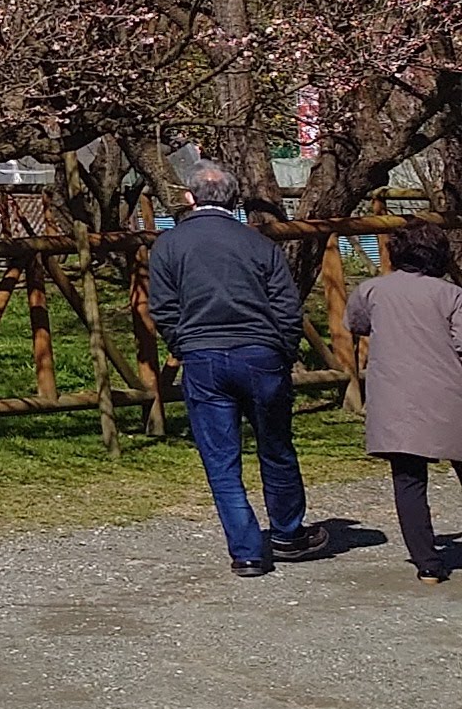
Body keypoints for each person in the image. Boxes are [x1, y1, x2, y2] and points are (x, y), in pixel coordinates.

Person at [145, 163, 325, 575]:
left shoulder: (169, 246)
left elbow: (164, 308)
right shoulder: (259, 244)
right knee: (275, 447)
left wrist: (184, 345)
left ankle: (246, 550)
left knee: (221, 458)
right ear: (235, 199)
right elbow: (286, 307)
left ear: (189, 198)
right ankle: (287, 532)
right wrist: (283, 350)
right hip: (260, 352)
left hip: (204, 354)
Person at [346, 223, 462, 587]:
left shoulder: (371, 290)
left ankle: (427, 564)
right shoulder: (452, 295)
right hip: (449, 393)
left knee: (408, 480)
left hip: (395, 397)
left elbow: (357, 323)